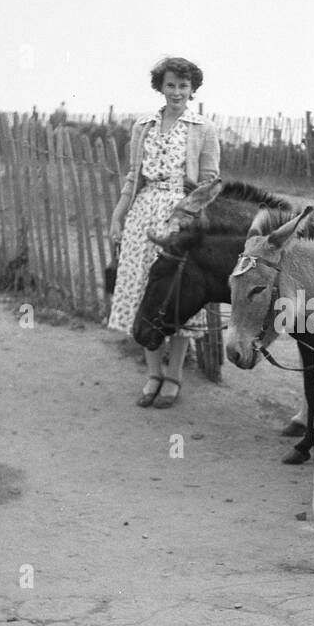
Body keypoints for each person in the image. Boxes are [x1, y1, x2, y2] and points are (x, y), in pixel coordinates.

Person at [107, 56, 220, 409]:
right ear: (160, 86)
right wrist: (118, 216)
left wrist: (188, 217)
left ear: (193, 89)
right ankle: (153, 372)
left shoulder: (203, 128)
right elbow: (132, 177)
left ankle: (174, 375)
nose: (177, 92)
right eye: (170, 85)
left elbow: (210, 182)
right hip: (143, 213)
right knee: (145, 289)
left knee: (180, 292)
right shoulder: (143, 126)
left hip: (180, 217)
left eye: (183, 86)